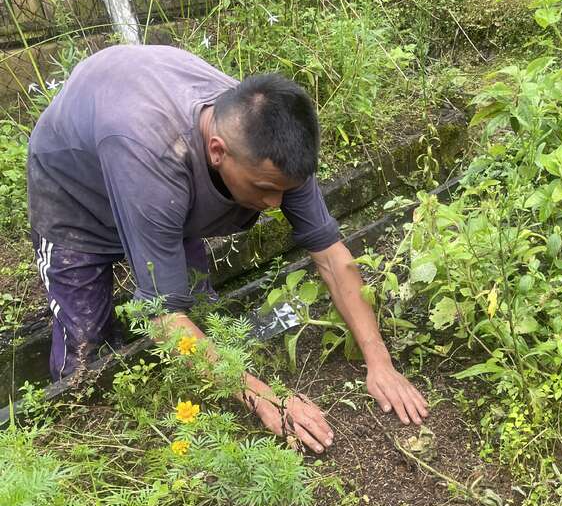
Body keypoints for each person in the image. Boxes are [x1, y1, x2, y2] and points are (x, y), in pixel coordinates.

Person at [27, 44, 428, 452]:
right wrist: (262, 397)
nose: (276, 205)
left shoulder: (271, 146)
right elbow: (162, 317)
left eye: (282, 192)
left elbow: (331, 255)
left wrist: (380, 362)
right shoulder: (155, 160)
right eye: (265, 191)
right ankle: (83, 445)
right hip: (74, 198)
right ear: (217, 152)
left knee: (199, 312)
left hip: (152, 174)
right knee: (86, 349)